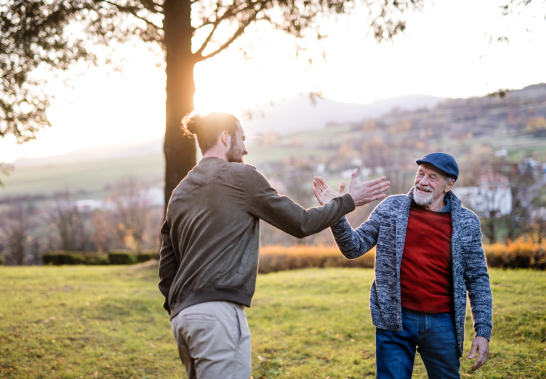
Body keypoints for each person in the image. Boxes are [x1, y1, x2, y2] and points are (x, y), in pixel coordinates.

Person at [158, 111, 390, 379]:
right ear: (224, 137)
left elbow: (167, 265)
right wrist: (347, 201)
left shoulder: (180, 191)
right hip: (217, 314)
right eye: (242, 139)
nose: (245, 148)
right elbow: (301, 223)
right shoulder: (242, 177)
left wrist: (177, 308)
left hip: (183, 318)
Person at [313, 153, 492, 379]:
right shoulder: (391, 208)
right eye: (420, 174)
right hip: (394, 322)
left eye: (432, 177)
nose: (422, 181)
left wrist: (483, 330)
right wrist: (336, 210)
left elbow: (477, 279)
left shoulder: (467, 223)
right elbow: (353, 247)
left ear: (450, 184)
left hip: (443, 324)